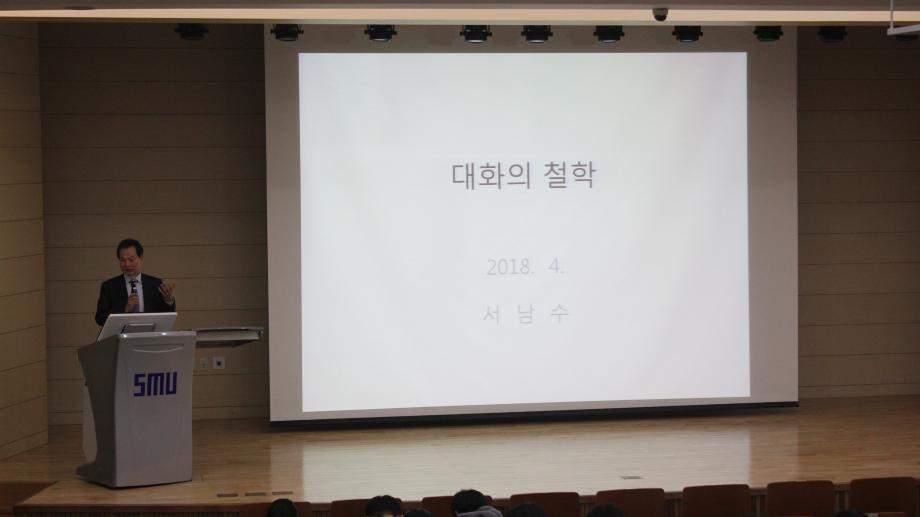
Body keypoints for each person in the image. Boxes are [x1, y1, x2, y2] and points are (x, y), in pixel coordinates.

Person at [94, 238, 176, 326]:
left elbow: (166, 316)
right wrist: (124, 310)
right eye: (123, 260)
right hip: (121, 334)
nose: (127, 264)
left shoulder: (155, 284)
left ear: (141, 258)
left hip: (148, 333)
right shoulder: (109, 287)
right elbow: (100, 318)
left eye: (131, 259)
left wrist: (168, 300)